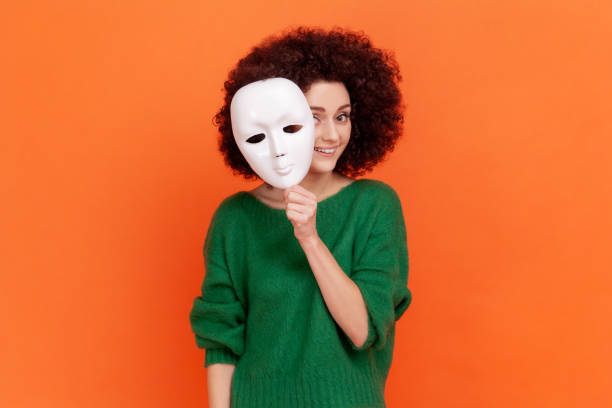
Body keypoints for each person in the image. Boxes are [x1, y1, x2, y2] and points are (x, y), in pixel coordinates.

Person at [190, 26, 412, 408]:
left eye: (342, 117)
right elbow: (221, 342)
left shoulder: (374, 206)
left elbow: (362, 330)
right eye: (314, 118)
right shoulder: (235, 219)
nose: (331, 134)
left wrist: (309, 236)